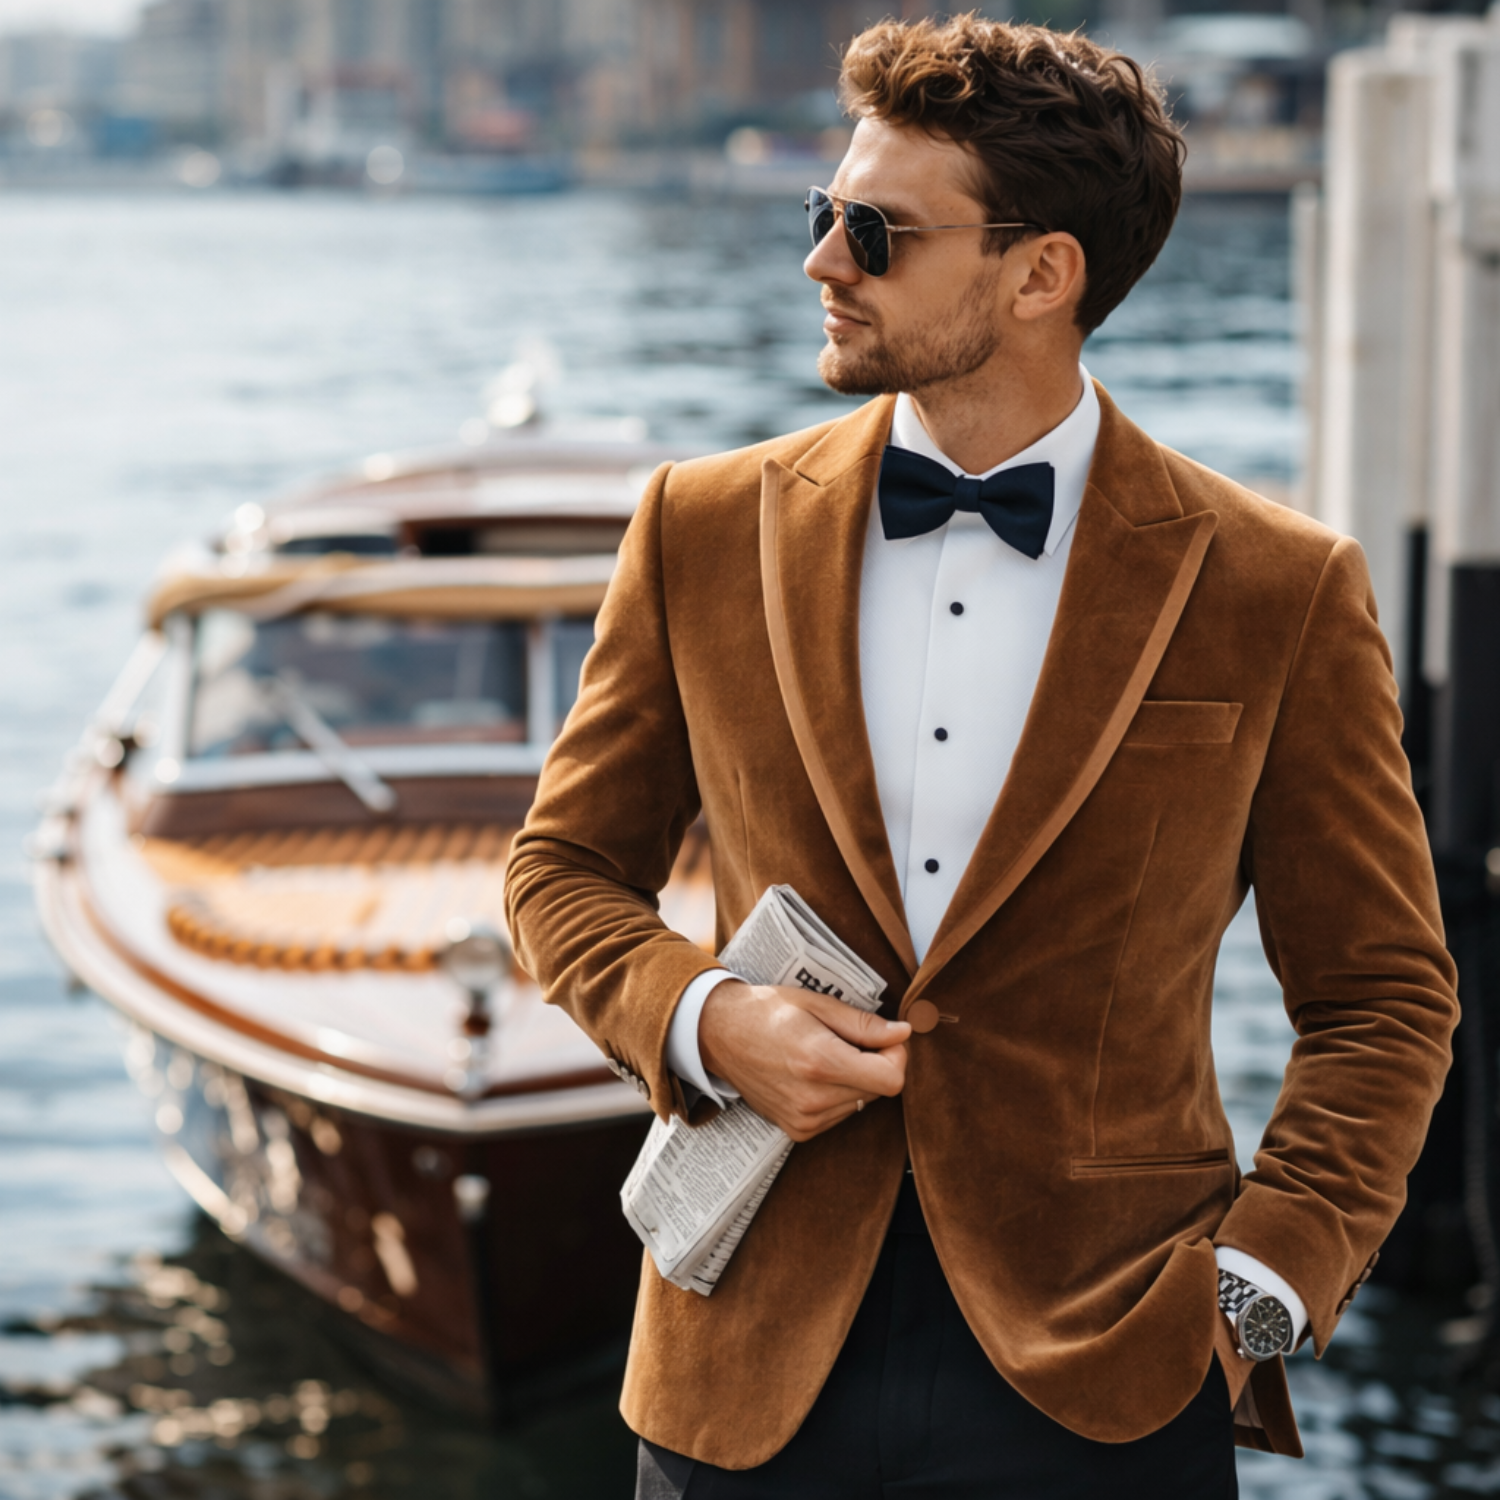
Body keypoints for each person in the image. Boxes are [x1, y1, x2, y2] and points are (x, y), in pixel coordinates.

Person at [505, 14, 1458, 1497]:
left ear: (1040, 273)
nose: (823, 259)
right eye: (823, 215)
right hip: (743, 1363)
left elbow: (1383, 998)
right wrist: (701, 1019)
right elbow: (560, 872)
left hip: (1113, 1379)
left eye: (874, 231)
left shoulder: (1278, 586)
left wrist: (1267, 1281)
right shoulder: (698, 528)